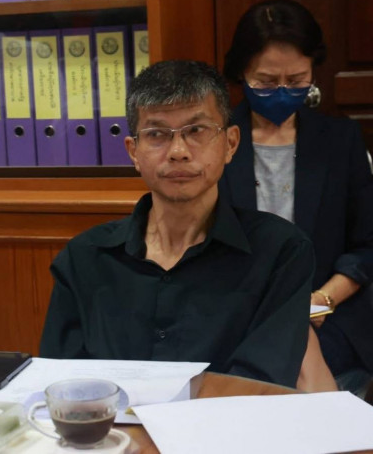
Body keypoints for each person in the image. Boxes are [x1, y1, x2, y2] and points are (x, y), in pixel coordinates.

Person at [39, 60, 314, 388]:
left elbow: (259, 387)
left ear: (230, 144)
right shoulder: (83, 258)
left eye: (196, 131)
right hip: (111, 424)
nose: (178, 152)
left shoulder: (280, 253)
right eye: (156, 134)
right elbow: (64, 386)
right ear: (133, 152)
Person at [220, 0, 373, 394]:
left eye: (296, 80)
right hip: (237, 323)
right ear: (242, 72)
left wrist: (320, 301)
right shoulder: (214, 142)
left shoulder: (340, 141)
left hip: (329, 321)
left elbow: (367, 245)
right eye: (267, 82)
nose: (283, 92)